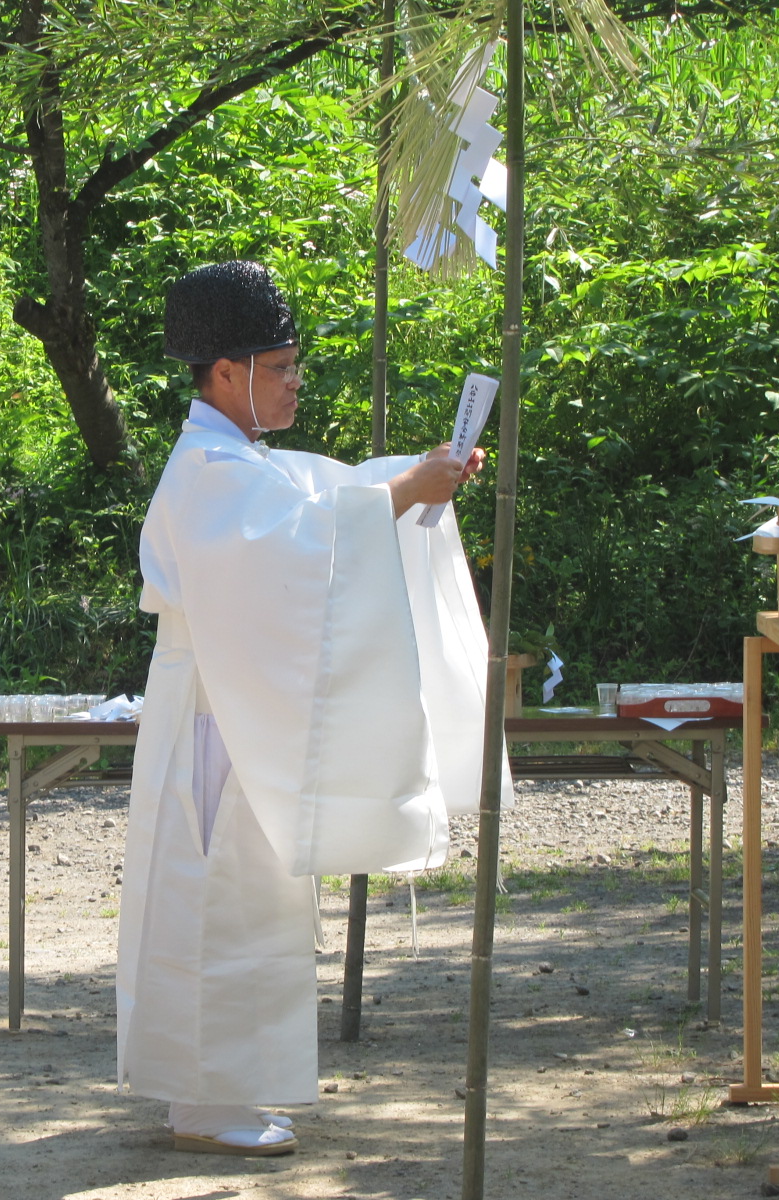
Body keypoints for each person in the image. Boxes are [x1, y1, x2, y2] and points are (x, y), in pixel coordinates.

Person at [115, 260, 511, 1156]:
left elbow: (324, 497)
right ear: (226, 372)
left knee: (253, 896)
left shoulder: (240, 462)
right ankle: (206, 1103)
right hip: (219, 714)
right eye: (282, 365)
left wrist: (416, 477)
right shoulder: (209, 470)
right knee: (218, 897)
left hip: (239, 709)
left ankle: (231, 1090)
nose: (296, 380)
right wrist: (405, 492)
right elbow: (291, 546)